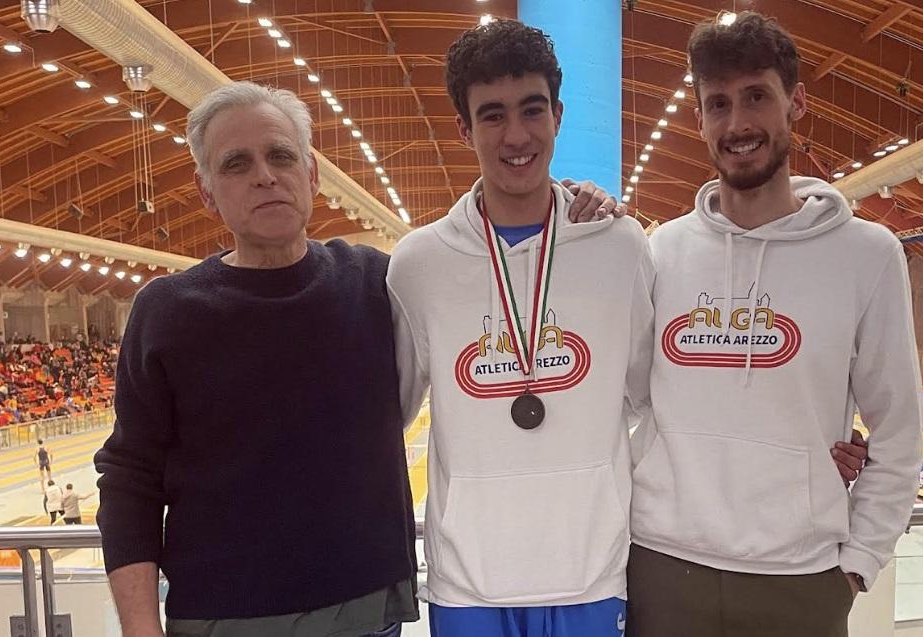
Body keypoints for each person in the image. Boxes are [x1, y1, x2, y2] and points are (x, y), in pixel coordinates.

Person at [389, 20, 866, 637]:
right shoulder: (420, 263)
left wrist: (802, 438)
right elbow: (392, 412)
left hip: (592, 575)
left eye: (532, 110)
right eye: (492, 115)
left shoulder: (618, 246)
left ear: (558, 115)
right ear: (464, 128)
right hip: (467, 582)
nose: (515, 135)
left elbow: (660, 391)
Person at [93, 81, 617, 637]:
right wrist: (140, 628)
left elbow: (484, 263)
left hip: (367, 614)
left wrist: (568, 202)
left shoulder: (376, 281)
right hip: (224, 619)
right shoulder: (169, 311)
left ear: (312, 174)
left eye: (280, 155)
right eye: (236, 164)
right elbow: (130, 477)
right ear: (206, 193)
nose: (265, 176)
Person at [625, 13, 922, 637]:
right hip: (662, 568)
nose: (737, 124)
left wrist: (858, 565)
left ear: (797, 102)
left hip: (803, 580)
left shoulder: (867, 255)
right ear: (699, 119)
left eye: (756, 96)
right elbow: (624, 399)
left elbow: (898, 430)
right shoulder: (659, 253)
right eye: (718, 104)